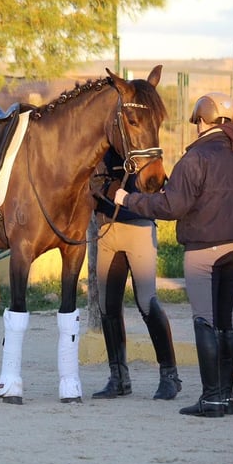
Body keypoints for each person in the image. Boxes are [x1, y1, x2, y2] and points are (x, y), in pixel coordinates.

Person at [114, 92, 233, 418]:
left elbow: (171, 206)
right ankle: (226, 398)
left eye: (197, 120)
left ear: (203, 120)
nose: (196, 126)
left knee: (205, 321)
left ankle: (210, 399)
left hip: (203, 250)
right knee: (229, 322)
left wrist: (128, 200)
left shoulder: (196, 158)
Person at [89, 147, 182, 401]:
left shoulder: (144, 145)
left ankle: (169, 376)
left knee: (146, 301)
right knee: (107, 306)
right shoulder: (102, 149)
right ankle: (118, 377)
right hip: (108, 229)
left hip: (139, 226)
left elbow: (157, 182)